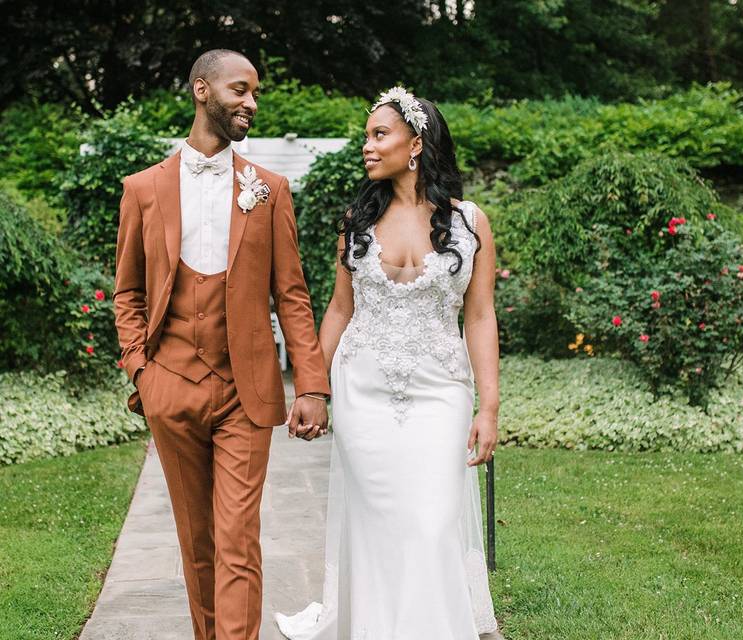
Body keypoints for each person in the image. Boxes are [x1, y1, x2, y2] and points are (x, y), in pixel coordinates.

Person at [113, 49, 330, 640]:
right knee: (197, 540)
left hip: (245, 389)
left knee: (238, 537)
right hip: (170, 386)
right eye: (241, 91)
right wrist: (141, 372)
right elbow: (128, 293)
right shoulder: (142, 189)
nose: (251, 104)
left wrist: (311, 383)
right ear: (202, 90)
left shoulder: (270, 189)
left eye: (256, 94)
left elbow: (293, 295)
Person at [275, 86, 500, 638]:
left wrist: (489, 406)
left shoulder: (469, 223)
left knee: (430, 521)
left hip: (440, 390)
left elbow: (480, 317)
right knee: (376, 525)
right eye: (367, 137)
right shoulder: (356, 219)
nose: (368, 148)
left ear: (416, 144)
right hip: (363, 391)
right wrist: (311, 387)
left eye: (380, 135)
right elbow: (339, 308)